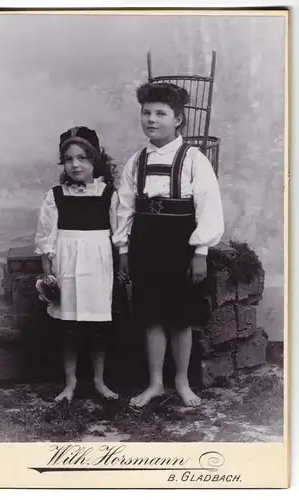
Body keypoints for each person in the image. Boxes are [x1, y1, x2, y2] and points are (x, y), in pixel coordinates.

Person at [112, 82, 224, 407]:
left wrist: (201, 252)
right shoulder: (136, 162)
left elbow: (209, 206)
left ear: (178, 119)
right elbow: (124, 209)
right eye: (146, 112)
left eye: (160, 113)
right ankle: (155, 384)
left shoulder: (193, 159)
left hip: (179, 245)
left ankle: (182, 382)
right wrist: (123, 251)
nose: (151, 119)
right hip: (146, 244)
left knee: (180, 317)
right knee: (151, 316)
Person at [35, 126, 119, 403]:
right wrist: (49, 275)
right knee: (68, 327)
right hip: (67, 263)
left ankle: (99, 380)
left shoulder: (108, 194)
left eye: (82, 158)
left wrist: (124, 267)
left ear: (94, 160)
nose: (75, 164)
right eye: (69, 159)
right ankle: (70, 383)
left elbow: (119, 235)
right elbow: (46, 237)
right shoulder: (56, 195)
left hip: (98, 264)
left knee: (98, 327)